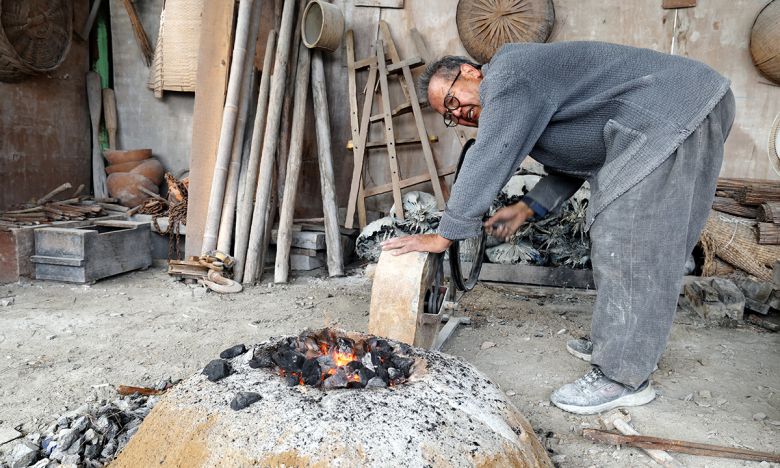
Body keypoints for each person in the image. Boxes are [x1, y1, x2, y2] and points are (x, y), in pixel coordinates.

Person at [381, 41, 734, 415]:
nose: (460, 114)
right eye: (449, 116)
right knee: (624, 239)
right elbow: (574, 164)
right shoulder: (528, 96)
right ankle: (617, 344)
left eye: (451, 101)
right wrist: (526, 208)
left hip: (673, 109)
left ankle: (623, 377)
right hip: (666, 114)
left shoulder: (509, 73)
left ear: (470, 72)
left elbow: (489, 153)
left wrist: (444, 234)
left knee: (630, 240)